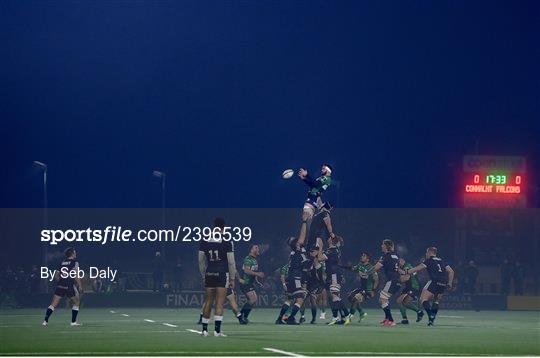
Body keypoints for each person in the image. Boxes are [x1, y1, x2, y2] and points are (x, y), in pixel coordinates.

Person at [198, 217, 237, 337]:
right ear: (223, 227)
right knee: (219, 303)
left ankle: (204, 330)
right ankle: (217, 331)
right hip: (222, 273)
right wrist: (232, 278)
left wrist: (203, 274)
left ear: (213, 226)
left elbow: (200, 260)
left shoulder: (205, 239)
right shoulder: (226, 239)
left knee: (208, 301)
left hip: (209, 272)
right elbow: (231, 262)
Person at [404, 247, 454, 326]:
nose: (426, 254)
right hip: (443, 282)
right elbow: (451, 271)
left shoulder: (428, 261)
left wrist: (407, 271)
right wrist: (450, 283)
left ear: (430, 252)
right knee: (436, 301)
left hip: (434, 281)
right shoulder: (442, 261)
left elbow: (417, 268)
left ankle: (430, 314)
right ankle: (431, 321)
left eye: (426, 253)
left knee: (423, 299)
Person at [42, 247, 83, 326]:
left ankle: (45, 321)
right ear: (72, 253)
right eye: (75, 252)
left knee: (53, 304)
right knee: (77, 302)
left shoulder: (62, 262)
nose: (76, 253)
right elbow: (77, 275)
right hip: (69, 285)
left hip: (60, 285)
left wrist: (62, 281)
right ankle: (73, 322)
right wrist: (80, 286)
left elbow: (56, 276)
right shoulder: (75, 262)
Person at [318, 235, 348, 325]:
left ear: (332, 241)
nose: (328, 238)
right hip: (331, 275)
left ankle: (338, 316)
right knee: (333, 297)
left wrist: (320, 247)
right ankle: (342, 316)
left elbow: (319, 258)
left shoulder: (331, 250)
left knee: (335, 296)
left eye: (330, 237)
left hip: (333, 275)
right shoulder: (334, 250)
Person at [372, 239, 401, 327]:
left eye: (383, 244)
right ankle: (387, 319)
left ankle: (391, 320)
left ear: (387, 246)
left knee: (382, 298)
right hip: (396, 280)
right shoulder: (396, 256)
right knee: (383, 299)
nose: (381, 246)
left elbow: (376, 267)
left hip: (391, 280)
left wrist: (366, 271)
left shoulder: (385, 256)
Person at [343, 252, 378, 325]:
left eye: (364, 256)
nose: (362, 257)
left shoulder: (371, 268)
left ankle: (349, 318)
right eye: (362, 255)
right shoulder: (360, 265)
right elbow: (353, 268)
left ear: (368, 259)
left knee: (356, 299)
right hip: (361, 288)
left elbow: (376, 280)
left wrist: (373, 290)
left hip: (368, 290)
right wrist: (343, 266)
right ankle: (361, 312)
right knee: (350, 297)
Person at [239, 244, 264, 323]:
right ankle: (242, 316)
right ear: (251, 250)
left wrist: (257, 281)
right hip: (245, 282)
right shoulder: (248, 259)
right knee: (252, 299)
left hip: (250, 283)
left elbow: (253, 272)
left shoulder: (255, 260)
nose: (258, 249)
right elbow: (246, 271)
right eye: (256, 248)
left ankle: (243, 316)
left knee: (254, 299)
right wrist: (258, 274)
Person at [396, 258, 424, 324]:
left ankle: (405, 319)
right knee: (405, 303)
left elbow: (406, 277)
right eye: (399, 261)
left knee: (399, 301)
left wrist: (397, 271)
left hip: (414, 286)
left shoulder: (406, 266)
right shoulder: (406, 266)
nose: (400, 262)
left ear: (404, 261)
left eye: (401, 261)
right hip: (409, 286)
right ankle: (419, 312)